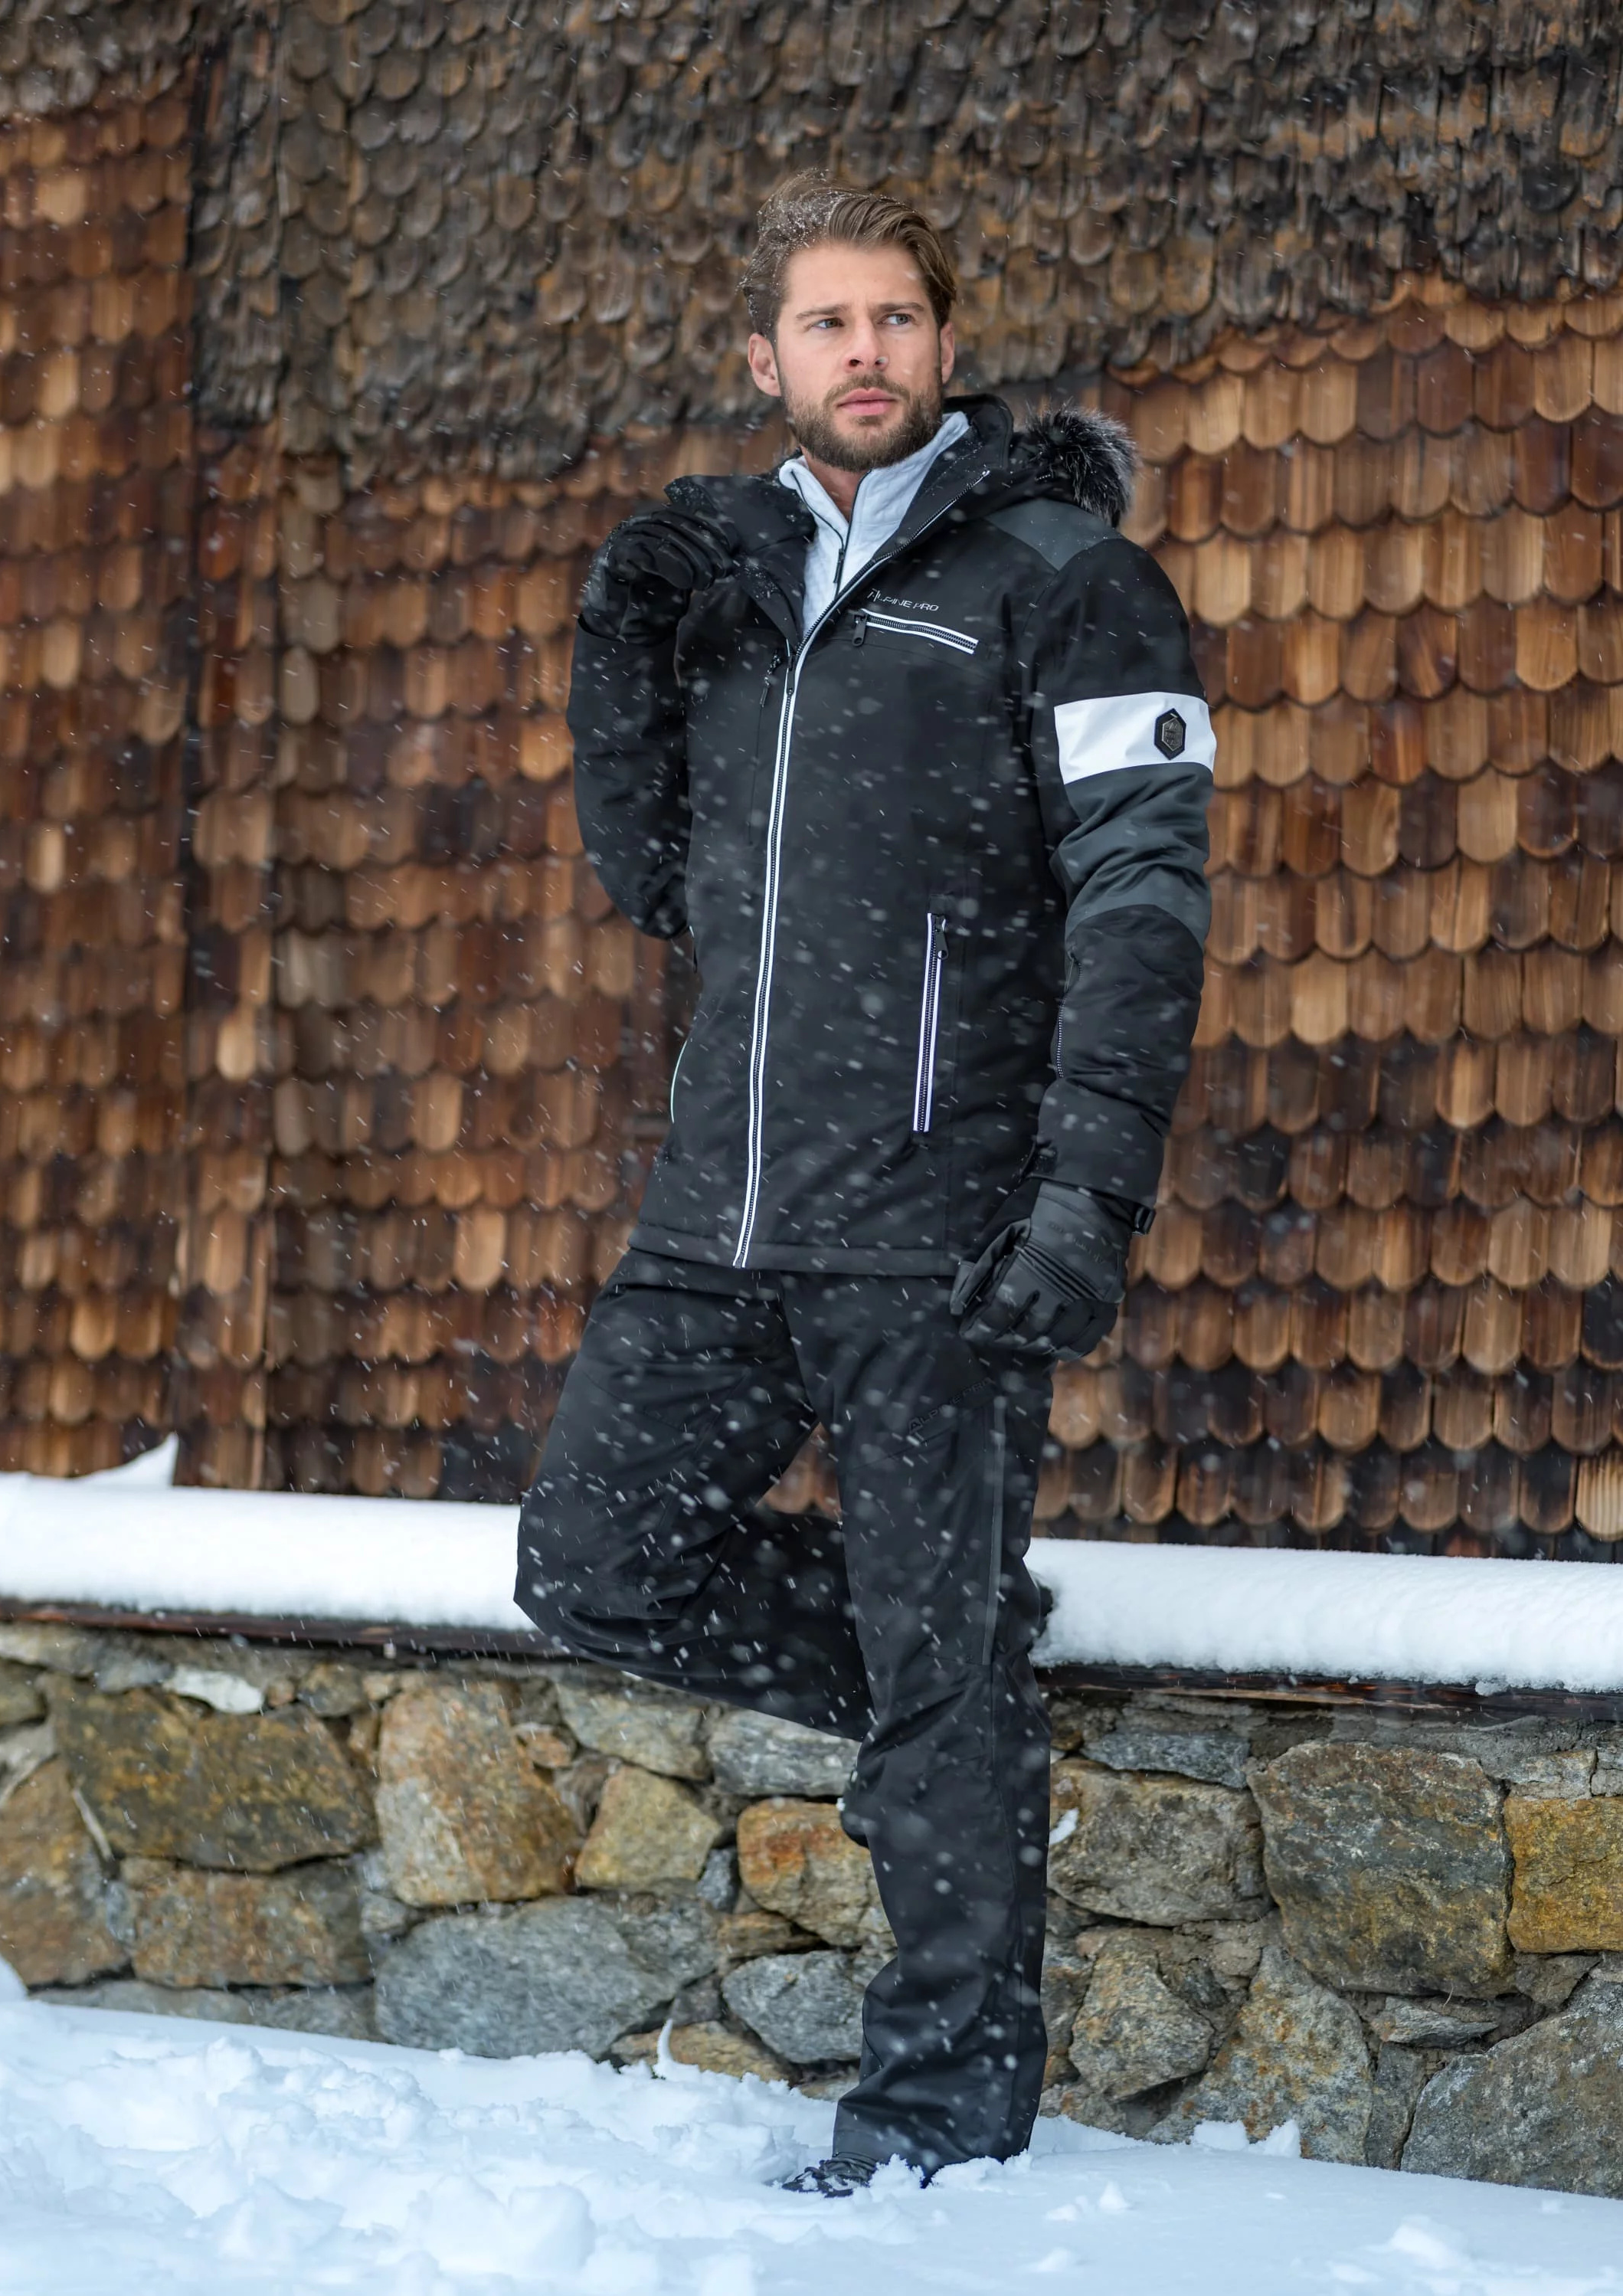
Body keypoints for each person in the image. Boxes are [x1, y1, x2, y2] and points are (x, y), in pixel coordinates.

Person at [514, 175, 1210, 2193]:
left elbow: (1144, 893)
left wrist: (1087, 1195)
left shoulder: (1063, 578)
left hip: (941, 1227)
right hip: (719, 1221)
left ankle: (936, 2122)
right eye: (826, 323)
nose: (865, 352)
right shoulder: (736, 589)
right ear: (768, 358)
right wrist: (619, 638)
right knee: (595, 1565)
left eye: (897, 318)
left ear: (945, 346)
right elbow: (657, 878)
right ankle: (955, 1688)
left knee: (938, 1663)